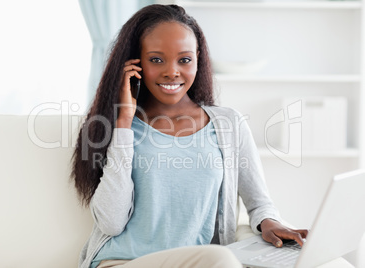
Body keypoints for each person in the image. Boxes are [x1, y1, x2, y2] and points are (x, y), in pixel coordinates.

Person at [71, 4, 308, 268]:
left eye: (184, 60)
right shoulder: (113, 126)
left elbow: (260, 203)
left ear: (197, 59)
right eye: (156, 59)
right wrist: (124, 123)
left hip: (196, 263)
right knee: (221, 259)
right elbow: (111, 223)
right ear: (135, 62)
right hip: (122, 262)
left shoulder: (229, 124)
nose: (172, 71)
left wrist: (269, 223)